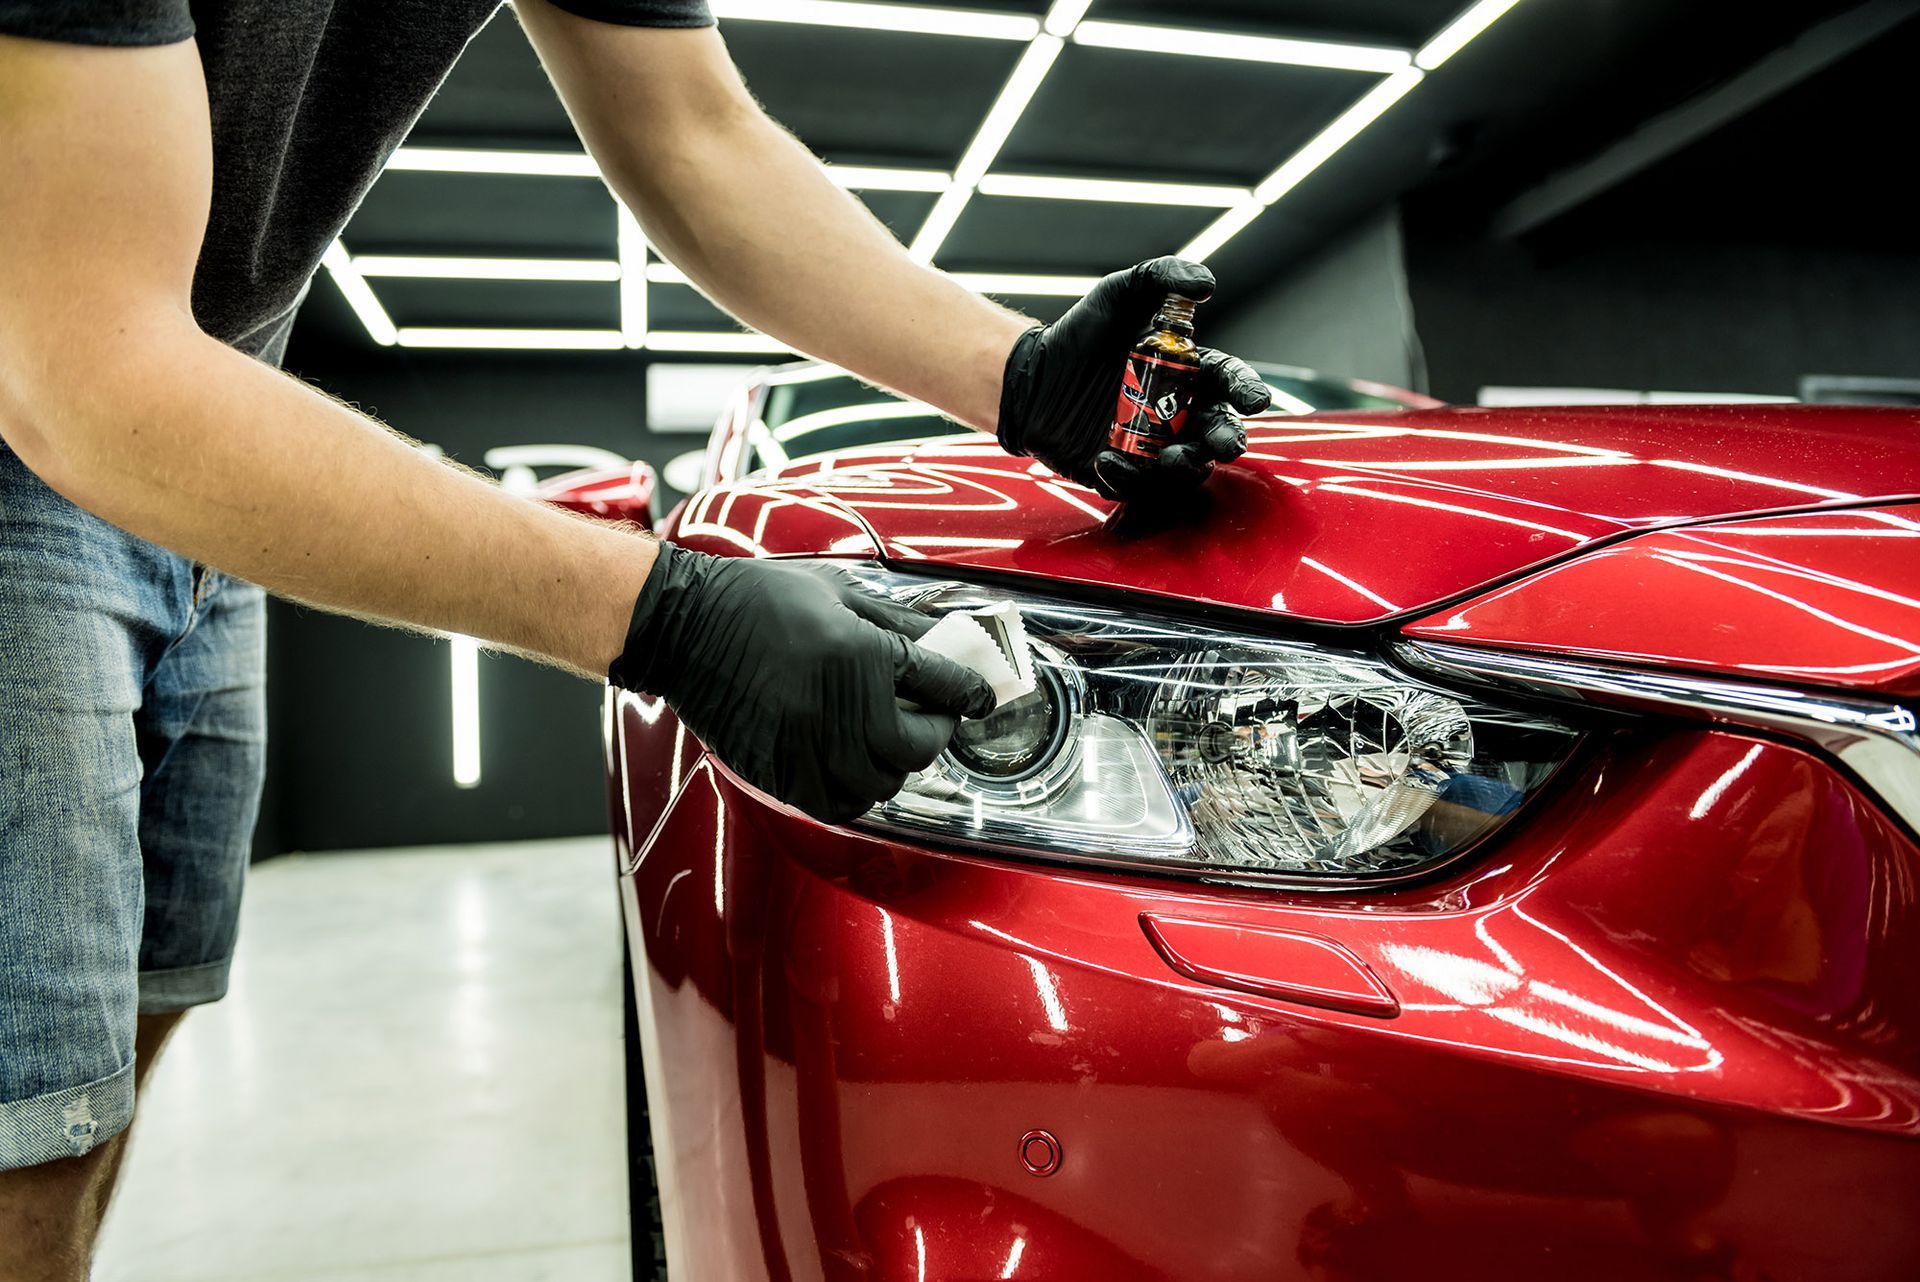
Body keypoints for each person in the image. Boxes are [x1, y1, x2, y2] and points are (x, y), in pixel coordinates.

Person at [0, 0, 1273, 1273]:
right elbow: (86, 373)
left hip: (209, 417)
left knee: (136, 1014)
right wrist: (671, 618)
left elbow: (693, 131)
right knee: (31, 1117)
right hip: (49, 402)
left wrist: (1018, 373)